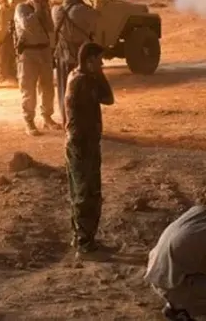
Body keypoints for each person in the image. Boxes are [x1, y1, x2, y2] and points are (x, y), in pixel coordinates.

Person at [64, 41, 114, 258]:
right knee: (87, 194)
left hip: (82, 143)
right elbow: (108, 98)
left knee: (82, 192)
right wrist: (100, 73)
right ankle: (84, 245)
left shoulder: (77, 76)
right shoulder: (83, 82)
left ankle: (82, 239)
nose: (102, 63)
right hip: (83, 145)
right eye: (99, 60)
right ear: (90, 61)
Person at [13, 0, 58, 135]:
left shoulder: (45, 10)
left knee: (47, 87)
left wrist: (46, 12)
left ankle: (47, 117)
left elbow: (51, 28)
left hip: (44, 51)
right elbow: (28, 26)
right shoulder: (22, 9)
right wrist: (38, 10)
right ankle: (29, 121)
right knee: (29, 89)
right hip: (29, 54)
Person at [52, 0, 98, 127]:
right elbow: (95, 21)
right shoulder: (82, 10)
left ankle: (67, 121)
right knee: (82, 92)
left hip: (63, 58)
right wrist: (82, 1)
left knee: (63, 90)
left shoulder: (55, 10)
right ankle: (82, 122)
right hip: (80, 58)